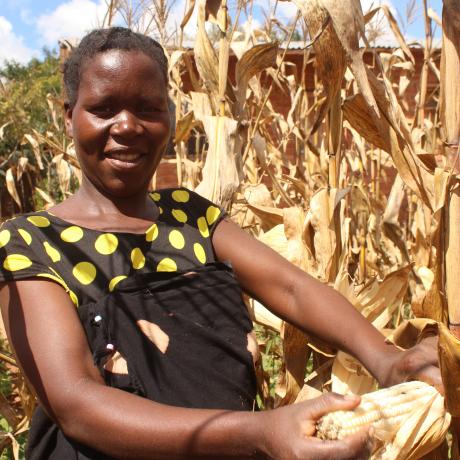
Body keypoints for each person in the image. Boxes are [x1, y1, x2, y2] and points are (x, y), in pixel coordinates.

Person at [0, 27, 441, 460]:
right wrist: (259, 433)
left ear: (171, 115)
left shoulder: (191, 215)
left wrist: (385, 360)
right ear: (68, 115)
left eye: (148, 108)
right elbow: (78, 405)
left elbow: (293, 289)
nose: (128, 126)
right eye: (103, 108)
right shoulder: (30, 241)